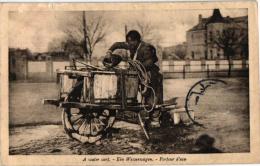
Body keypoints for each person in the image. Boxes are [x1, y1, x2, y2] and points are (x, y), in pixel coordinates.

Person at [104, 30, 163, 127]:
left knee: (152, 96)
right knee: (138, 92)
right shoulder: (132, 45)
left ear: (136, 41)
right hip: (140, 73)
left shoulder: (146, 48)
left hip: (151, 74)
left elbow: (150, 62)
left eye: (130, 42)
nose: (128, 44)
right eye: (127, 42)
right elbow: (117, 44)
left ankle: (155, 120)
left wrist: (135, 65)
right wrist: (109, 51)